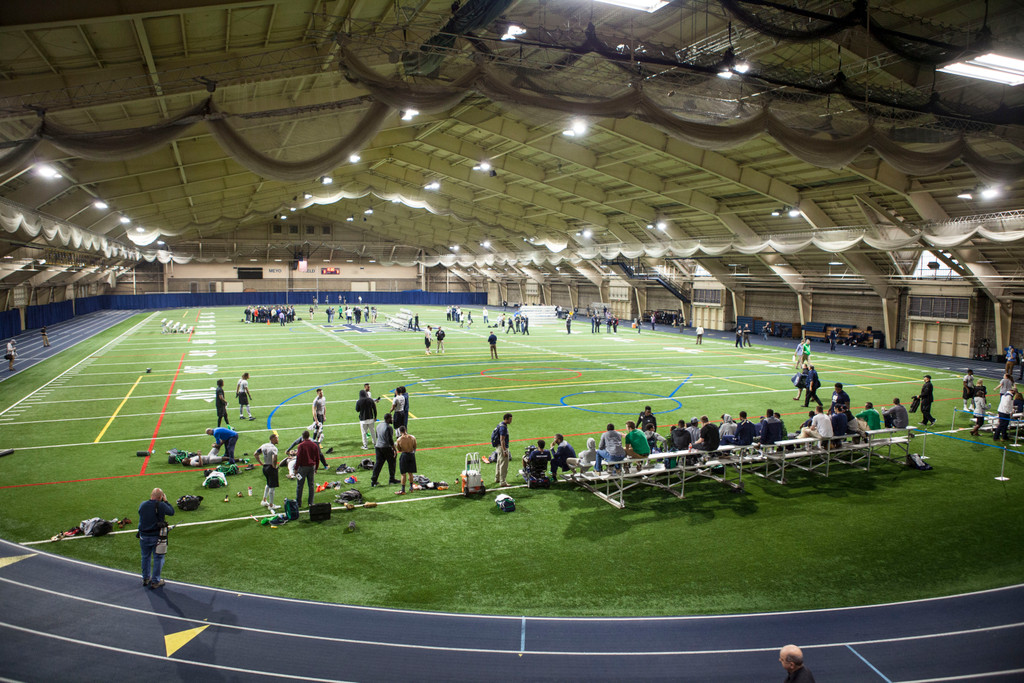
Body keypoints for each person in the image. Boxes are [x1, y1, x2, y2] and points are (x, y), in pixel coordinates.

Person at [138, 487, 174, 589]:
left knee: (145, 557)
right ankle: (155, 581)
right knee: (158, 558)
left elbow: (141, 514)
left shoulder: (143, 504)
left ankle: (145, 578)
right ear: (161, 497)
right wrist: (166, 501)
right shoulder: (161, 505)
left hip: (143, 536)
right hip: (156, 537)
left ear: (151, 495)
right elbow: (171, 511)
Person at [254, 432, 281, 510]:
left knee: (268, 484)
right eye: (276, 438)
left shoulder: (264, 445)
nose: (278, 439)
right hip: (271, 468)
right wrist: (274, 467)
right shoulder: (274, 448)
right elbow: (274, 458)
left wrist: (261, 463)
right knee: (272, 487)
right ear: (272, 439)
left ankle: (264, 500)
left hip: (265, 467)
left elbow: (255, 454)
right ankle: (271, 505)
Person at [294, 429, 319, 506]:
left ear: (303, 437)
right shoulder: (314, 445)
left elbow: (299, 458)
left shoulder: (301, 445)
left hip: (302, 468)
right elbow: (318, 457)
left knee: (300, 485)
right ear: (309, 436)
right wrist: (316, 468)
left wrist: (296, 468)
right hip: (311, 467)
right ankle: (310, 502)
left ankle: (298, 503)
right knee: (311, 485)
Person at [395, 425, 417, 494]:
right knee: (410, 473)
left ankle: (403, 490)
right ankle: (411, 488)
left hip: (404, 455)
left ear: (400, 431)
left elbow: (399, 449)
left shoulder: (399, 439)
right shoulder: (413, 437)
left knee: (403, 474)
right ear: (405, 430)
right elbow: (415, 447)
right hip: (411, 455)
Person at [493, 413, 513, 487]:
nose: (511, 421)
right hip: (502, 447)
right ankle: (503, 482)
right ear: (506, 418)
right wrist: (504, 450)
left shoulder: (500, 424)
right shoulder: (503, 428)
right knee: (504, 465)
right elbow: (502, 440)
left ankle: (497, 478)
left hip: (498, 447)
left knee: (499, 462)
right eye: (510, 419)